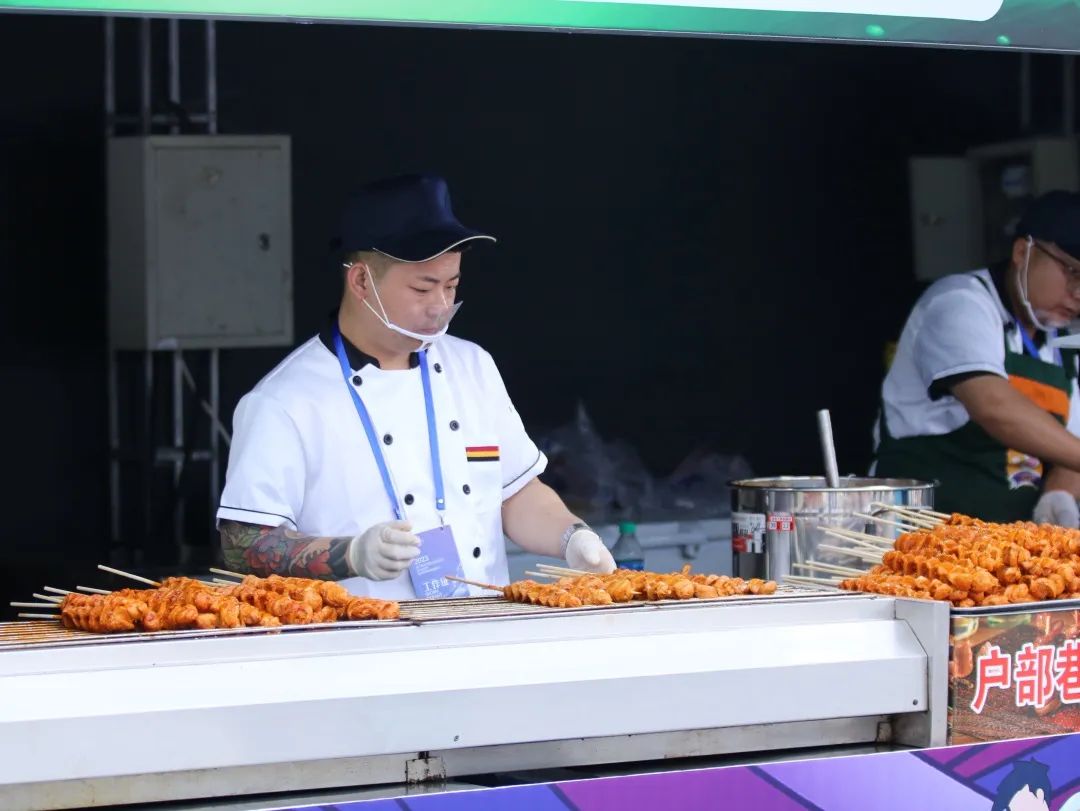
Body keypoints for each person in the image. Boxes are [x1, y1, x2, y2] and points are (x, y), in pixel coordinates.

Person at [216, 174, 615, 598]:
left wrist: (572, 536)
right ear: (362, 282)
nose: (441, 306)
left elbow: (515, 494)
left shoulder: (473, 367)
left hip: (487, 624)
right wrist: (350, 555)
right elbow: (242, 545)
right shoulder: (284, 401)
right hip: (360, 632)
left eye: (452, 285)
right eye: (423, 288)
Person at [874, 190, 1080, 526]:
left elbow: (1071, 446)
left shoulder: (1063, 345)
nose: (1078, 293)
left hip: (1010, 544)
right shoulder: (960, 302)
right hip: (922, 531)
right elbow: (994, 406)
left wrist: (1060, 493)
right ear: (1023, 252)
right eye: (1072, 271)